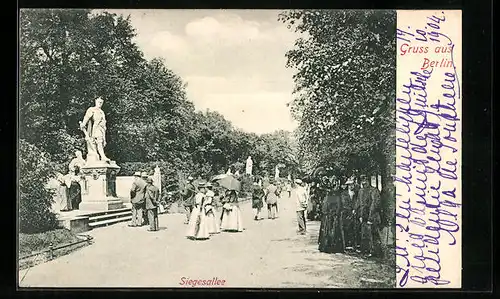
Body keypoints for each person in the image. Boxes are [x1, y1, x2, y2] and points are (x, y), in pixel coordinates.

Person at [356, 175, 383, 257]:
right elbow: (359, 203)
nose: (364, 182)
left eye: (366, 180)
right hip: (364, 216)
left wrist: (370, 218)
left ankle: (375, 252)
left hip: (372, 216)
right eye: (362, 181)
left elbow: (375, 205)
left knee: (373, 234)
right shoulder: (361, 191)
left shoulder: (374, 191)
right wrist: (360, 215)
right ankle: (366, 250)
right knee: (365, 234)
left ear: (368, 181)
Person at [318, 176, 345, 254]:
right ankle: (332, 247)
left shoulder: (332, 195)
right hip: (331, 215)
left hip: (331, 216)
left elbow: (326, 207)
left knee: (331, 230)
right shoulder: (335, 195)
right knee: (332, 230)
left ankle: (330, 246)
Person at [79, 97, 110, 162]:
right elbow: (87, 117)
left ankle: (100, 155)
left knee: (101, 142)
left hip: (102, 129)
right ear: (95, 101)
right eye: (99, 102)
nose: (100, 104)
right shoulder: (92, 109)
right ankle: (103, 156)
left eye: (101, 102)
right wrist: (83, 124)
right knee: (99, 142)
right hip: (96, 128)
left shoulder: (102, 112)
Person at [340, 178, 357, 250]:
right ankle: (347, 244)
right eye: (349, 185)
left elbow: (357, 202)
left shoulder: (356, 193)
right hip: (346, 213)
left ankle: (353, 244)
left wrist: (355, 209)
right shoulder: (344, 194)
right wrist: (350, 210)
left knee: (354, 229)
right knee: (346, 228)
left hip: (355, 213)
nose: (351, 186)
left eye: (352, 184)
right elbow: (343, 203)